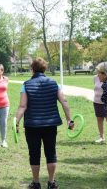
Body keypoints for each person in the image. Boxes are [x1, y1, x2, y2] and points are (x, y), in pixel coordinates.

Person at [15, 57, 72, 189]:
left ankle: (36, 183)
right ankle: (51, 182)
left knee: (34, 153)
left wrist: (16, 122)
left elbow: (22, 106)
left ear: (32, 69)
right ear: (44, 69)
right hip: (50, 124)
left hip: (32, 125)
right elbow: (64, 101)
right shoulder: (54, 83)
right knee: (51, 152)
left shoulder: (26, 84)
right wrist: (69, 119)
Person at [93, 74, 107, 143]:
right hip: (97, 102)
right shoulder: (95, 77)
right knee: (99, 119)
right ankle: (102, 137)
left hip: (106, 102)